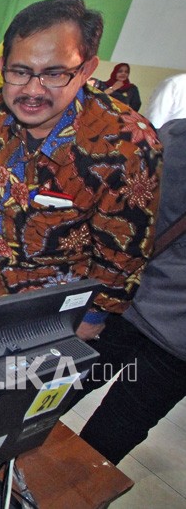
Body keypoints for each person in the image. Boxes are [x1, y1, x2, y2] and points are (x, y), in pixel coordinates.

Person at [0, 0, 162, 341]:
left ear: (85, 70)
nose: (32, 91)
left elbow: (124, 251)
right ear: (4, 64)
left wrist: (94, 316)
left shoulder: (126, 145)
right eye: (20, 72)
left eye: (54, 74)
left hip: (47, 312)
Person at [74, 118, 186, 464]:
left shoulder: (173, 138)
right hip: (175, 342)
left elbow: (122, 224)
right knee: (112, 436)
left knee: (49, 399)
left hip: (122, 304)